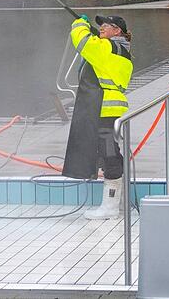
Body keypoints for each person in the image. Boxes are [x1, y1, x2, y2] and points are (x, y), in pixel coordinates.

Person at [62, 14, 133, 220]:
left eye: (106, 25)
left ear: (117, 31)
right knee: (109, 152)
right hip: (107, 109)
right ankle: (116, 202)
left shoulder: (110, 47)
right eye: (100, 25)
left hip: (104, 109)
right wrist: (98, 34)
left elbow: (83, 42)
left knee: (108, 154)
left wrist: (80, 24)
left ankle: (110, 208)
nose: (101, 27)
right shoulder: (120, 49)